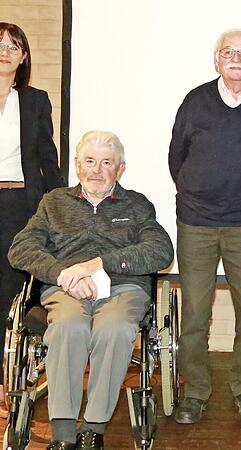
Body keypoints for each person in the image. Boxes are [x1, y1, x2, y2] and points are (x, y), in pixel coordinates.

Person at [8, 130, 173, 450]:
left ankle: (93, 428)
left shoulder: (137, 205)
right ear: (77, 165)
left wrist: (97, 264)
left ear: (120, 169)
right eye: (90, 161)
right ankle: (64, 432)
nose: (97, 170)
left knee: (115, 329)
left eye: (106, 163)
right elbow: (21, 248)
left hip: (122, 288)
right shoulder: (54, 203)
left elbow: (160, 250)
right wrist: (63, 273)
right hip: (66, 288)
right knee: (68, 327)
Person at [169, 29, 241, 423]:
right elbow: (177, 156)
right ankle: (195, 391)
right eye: (229, 52)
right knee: (195, 312)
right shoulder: (195, 101)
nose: (237, 58)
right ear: (217, 60)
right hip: (197, 223)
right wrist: (197, 192)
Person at [0, 22, 65, 417]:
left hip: (18, 205)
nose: (4, 51)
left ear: (23, 57)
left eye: (13, 46)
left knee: (10, 290)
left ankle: (6, 382)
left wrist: (61, 206)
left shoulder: (35, 100)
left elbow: (47, 158)